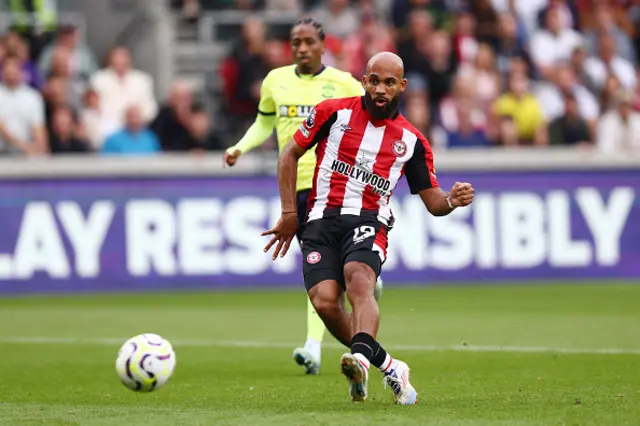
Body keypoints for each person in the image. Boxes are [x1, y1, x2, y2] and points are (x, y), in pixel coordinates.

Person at [262, 52, 475, 405]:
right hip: (318, 220)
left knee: (359, 278)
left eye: (389, 82)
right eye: (374, 80)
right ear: (364, 81)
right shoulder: (332, 112)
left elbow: (433, 202)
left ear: (401, 86)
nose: (381, 88)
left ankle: (359, 360)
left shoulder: (411, 141)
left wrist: (451, 200)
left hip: (368, 221)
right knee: (325, 302)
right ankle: (389, 365)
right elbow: (288, 155)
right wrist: (289, 213)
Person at [223, 17, 383, 376]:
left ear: (323, 44)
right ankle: (362, 291)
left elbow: (368, 121)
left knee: (325, 269)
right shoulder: (274, 81)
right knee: (323, 270)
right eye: (296, 42)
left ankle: (314, 345)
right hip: (295, 184)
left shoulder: (342, 82)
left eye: (309, 42)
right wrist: (240, 147)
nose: (302, 49)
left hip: (334, 184)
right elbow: (265, 121)